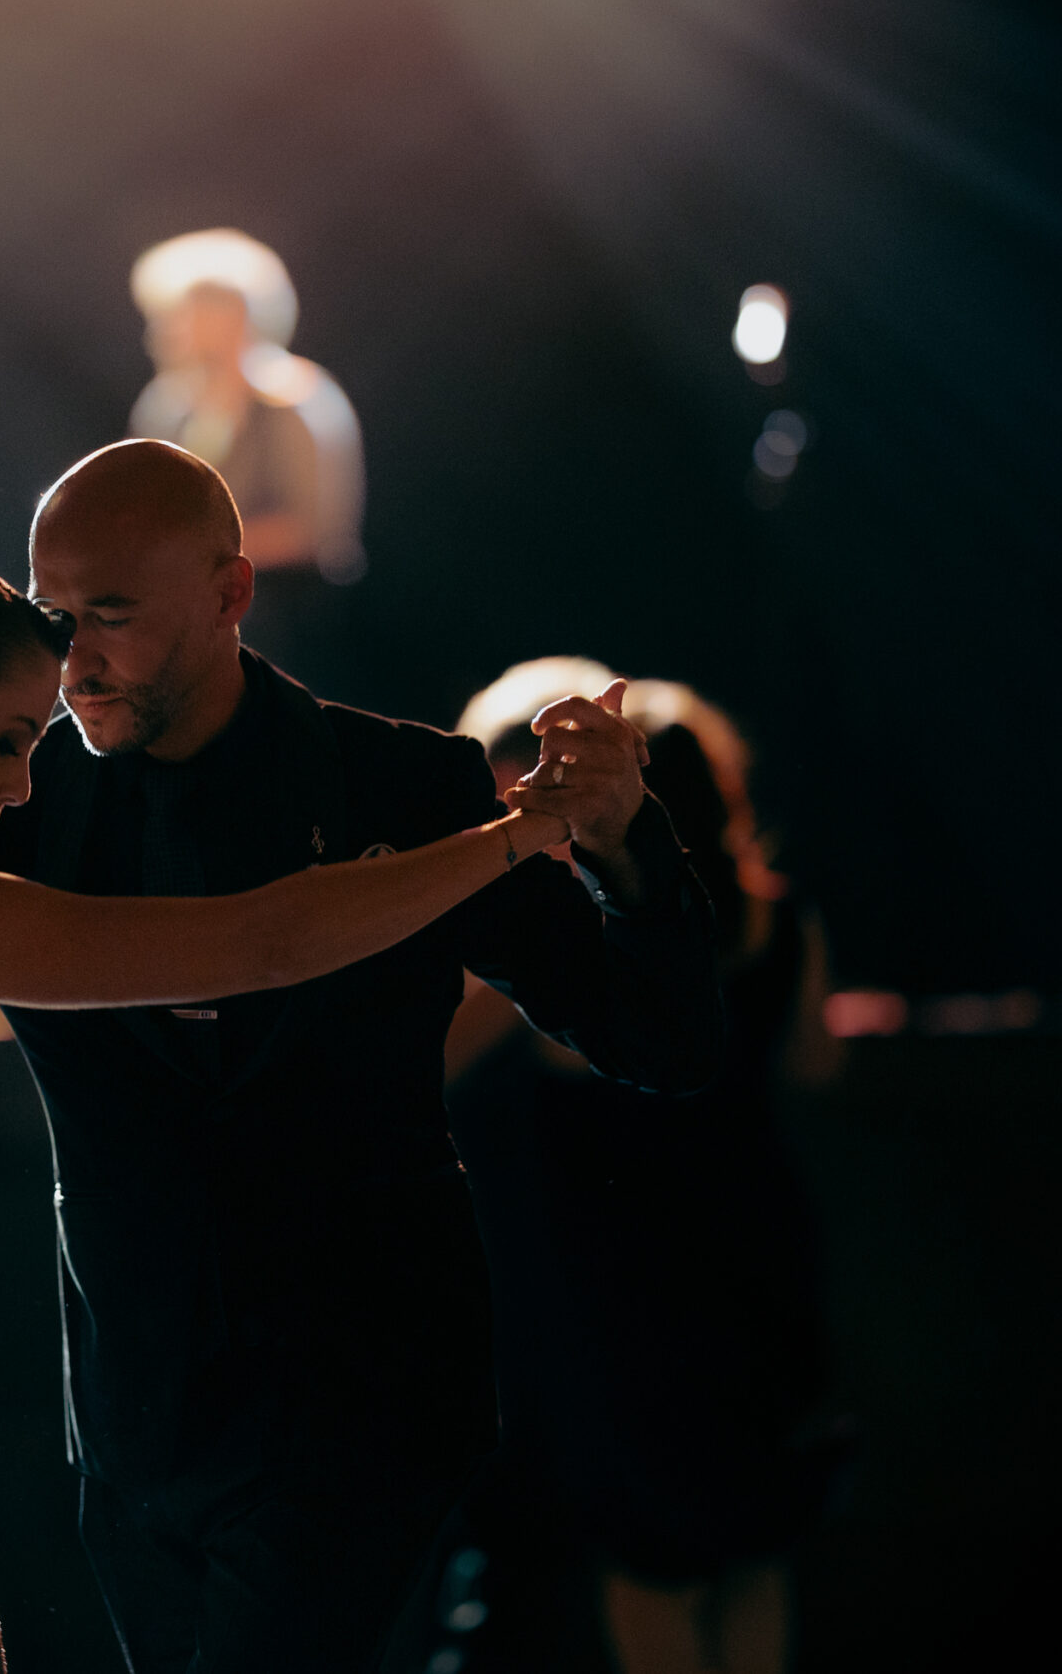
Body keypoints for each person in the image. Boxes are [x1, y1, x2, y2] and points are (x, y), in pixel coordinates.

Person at [0, 440, 725, 1673]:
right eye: (53, 618)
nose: (71, 660)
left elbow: (666, 1039)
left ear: (228, 595)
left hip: (369, 1408)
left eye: (110, 617)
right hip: (135, 1429)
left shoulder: (404, 785)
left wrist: (625, 848)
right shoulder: (1, 789)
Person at [433, 660, 847, 1674]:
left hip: (626, 1302)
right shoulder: (778, 927)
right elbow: (811, 1066)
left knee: (650, 1570)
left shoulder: (580, 937)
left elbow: (431, 1059)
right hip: (761, 1264)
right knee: (753, 1555)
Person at [128, 230, 364, 678]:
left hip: (291, 627)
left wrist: (189, 557)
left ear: (234, 315)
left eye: (183, 314)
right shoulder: (167, 409)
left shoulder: (294, 401)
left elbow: (314, 530)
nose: (166, 330)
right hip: (204, 620)